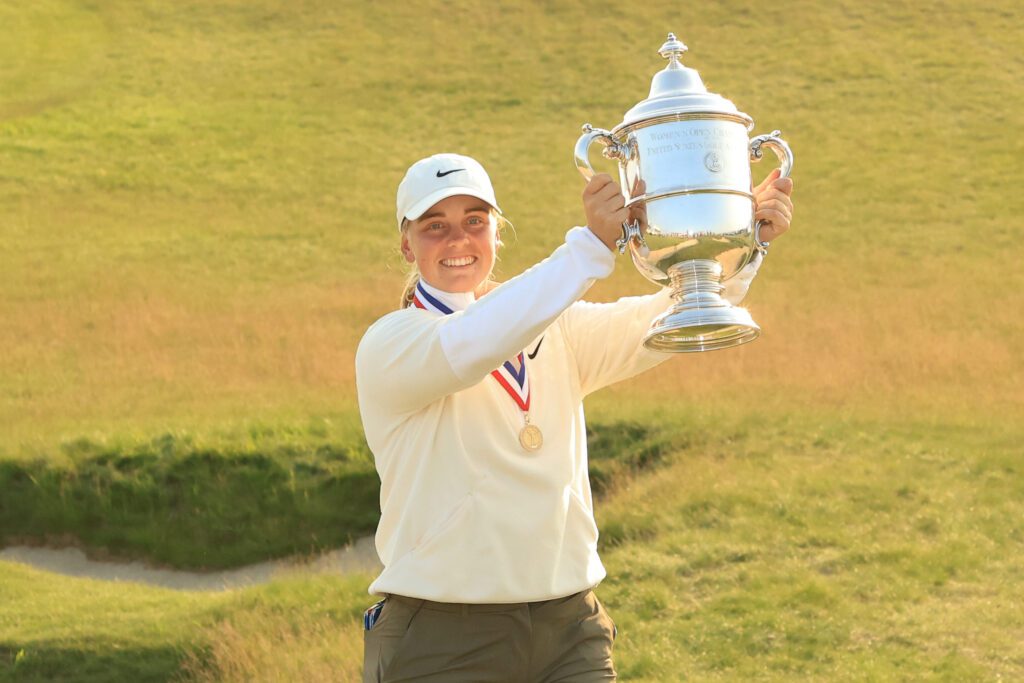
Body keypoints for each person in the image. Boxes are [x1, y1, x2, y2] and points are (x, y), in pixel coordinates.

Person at [355, 152, 794, 682]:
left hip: (569, 627)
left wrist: (742, 246)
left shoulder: (555, 327)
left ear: (497, 232)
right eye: (434, 227)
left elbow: (666, 317)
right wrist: (588, 248)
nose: (458, 240)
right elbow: (470, 344)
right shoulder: (391, 343)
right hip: (443, 633)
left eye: (475, 221)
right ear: (406, 243)